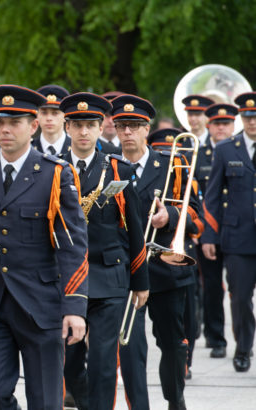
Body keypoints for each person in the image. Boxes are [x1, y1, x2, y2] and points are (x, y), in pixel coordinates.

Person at [0, 84, 88, 409]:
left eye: (15, 122)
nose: (6, 129)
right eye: (0, 122)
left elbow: (72, 245)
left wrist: (74, 307)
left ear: (33, 125)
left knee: (45, 401)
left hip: (41, 304)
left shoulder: (55, 174)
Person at [60, 92, 149, 409]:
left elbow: (134, 228)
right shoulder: (50, 168)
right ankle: (84, 400)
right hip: (66, 279)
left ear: (101, 128)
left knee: (102, 362)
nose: (84, 132)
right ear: (67, 127)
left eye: (91, 125)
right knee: (67, 361)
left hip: (109, 277)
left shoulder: (118, 169)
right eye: (78, 125)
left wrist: (140, 281)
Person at [113, 94, 202, 410]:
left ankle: (175, 399)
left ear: (146, 128)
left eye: (134, 126)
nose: (127, 133)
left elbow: (196, 216)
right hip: (125, 273)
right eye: (122, 126)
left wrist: (170, 217)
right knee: (131, 348)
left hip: (166, 268)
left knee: (173, 346)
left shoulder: (172, 164)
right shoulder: (108, 167)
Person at [201, 92, 256, 373]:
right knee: (240, 298)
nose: (252, 122)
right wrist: (209, 236)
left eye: (255, 116)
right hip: (238, 239)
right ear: (241, 119)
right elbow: (211, 198)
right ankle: (244, 347)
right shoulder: (225, 149)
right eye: (247, 117)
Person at [147, 127, 204, 379]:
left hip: (177, 256)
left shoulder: (185, 176)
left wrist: (172, 216)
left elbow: (196, 219)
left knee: (182, 320)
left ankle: (183, 363)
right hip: (142, 259)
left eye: (171, 152)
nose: (167, 156)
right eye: (161, 151)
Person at [196, 103, 238, 360]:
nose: (221, 127)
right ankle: (215, 336)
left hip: (237, 230)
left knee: (239, 288)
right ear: (208, 125)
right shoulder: (198, 154)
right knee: (212, 286)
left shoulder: (243, 151)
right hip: (208, 228)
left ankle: (242, 337)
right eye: (216, 123)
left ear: (234, 126)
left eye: (226, 123)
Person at [32, 84, 70, 158]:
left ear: (65, 116)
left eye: (55, 113)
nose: (49, 118)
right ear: (37, 115)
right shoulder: (28, 148)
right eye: (44, 112)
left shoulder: (77, 148)